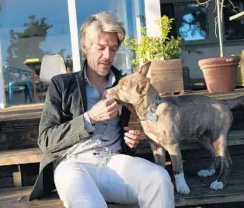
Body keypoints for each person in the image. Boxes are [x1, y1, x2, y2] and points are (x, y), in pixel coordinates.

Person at [29, 12, 175, 208]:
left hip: (114, 162)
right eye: (101, 48)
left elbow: (143, 118)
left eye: (113, 49)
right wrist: (89, 118)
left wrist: (133, 138)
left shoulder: (126, 85)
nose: (108, 56)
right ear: (85, 48)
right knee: (87, 204)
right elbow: (46, 140)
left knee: (159, 178)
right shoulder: (63, 85)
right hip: (72, 164)